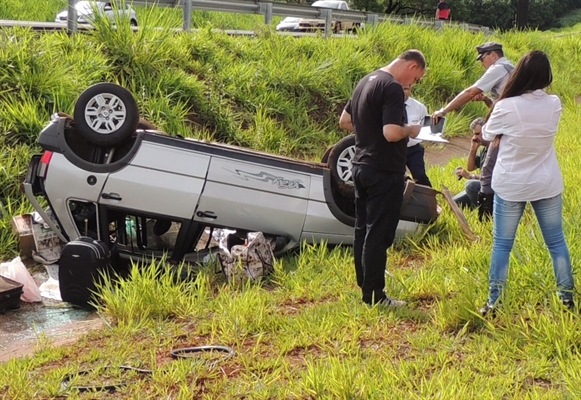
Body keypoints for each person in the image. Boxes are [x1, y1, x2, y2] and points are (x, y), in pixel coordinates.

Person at [479, 50, 574, 316]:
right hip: (546, 181)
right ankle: (567, 298)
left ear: (519, 72)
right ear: (546, 76)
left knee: (502, 245)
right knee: (556, 242)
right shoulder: (554, 103)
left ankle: (494, 302)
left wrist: (494, 102)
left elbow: (487, 134)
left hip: (511, 183)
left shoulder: (506, 106)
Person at [338, 50, 426, 307]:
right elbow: (391, 133)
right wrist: (410, 130)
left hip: (360, 165)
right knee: (379, 233)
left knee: (362, 229)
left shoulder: (366, 80)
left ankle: (365, 282)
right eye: (416, 78)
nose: (413, 84)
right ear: (411, 66)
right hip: (384, 170)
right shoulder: (392, 88)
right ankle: (375, 295)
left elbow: (345, 121)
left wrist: (370, 128)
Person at [432, 42, 514, 122]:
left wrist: (443, 111)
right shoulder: (510, 67)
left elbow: (470, 92)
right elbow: (498, 106)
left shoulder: (498, 68)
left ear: (493, 55)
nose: (481, 64)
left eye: (482, 59)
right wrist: (485, 99)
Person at [452, 117, 487, 208]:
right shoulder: (484, 150)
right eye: (474, 134)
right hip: (484, 186)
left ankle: (485, 212)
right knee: (454, 203)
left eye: (477, 134)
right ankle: (476, 206)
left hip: (493, 188)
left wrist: (471, 176)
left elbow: (492, 178)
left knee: (470, 185)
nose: (475, 137)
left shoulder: (496, 150)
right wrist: (473, 149)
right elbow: (471, 167)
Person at [404, 84, 432, 187]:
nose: (403, 92)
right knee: (398, 177)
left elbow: (427, 128)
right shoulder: (389, 107)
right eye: (400, 89)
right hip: (394, 149)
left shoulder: (419, 107)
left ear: (411, 89)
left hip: (413, 149)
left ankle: (428, 200)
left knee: (420, 176)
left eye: (406, 89)